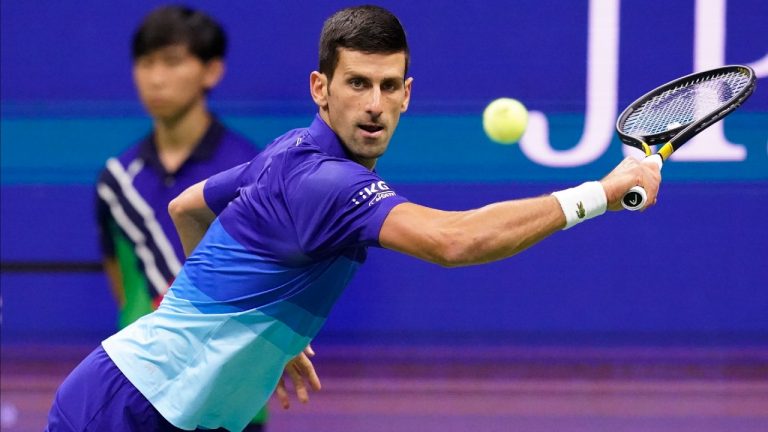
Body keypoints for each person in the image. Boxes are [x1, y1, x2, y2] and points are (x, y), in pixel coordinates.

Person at [50, 5, 661, 432]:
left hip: (164, 404)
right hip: (124, 406)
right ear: (321, 87)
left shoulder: (290, 148)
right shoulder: (327, 182)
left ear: (407, 94)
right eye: (357, 84)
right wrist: (600, 193)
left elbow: (187, 207)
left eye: (388, 85)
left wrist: (260, 331)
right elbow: (453, 241)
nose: (373, 105)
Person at [93, 5, 271, 431]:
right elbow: (122, 282)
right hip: (140, 385)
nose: (155, 78)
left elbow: (273, 279)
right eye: (145, 62)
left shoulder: (252, 172)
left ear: (211, 71)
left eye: (172, 62)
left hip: (228, 392)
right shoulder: (116, 181)